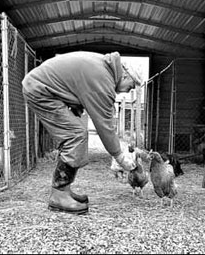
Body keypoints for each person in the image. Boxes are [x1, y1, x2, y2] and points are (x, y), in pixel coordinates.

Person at [22, 51, 142, 215]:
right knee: (75, 135)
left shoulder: (104, 69)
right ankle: (58, 195)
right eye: (132, 85)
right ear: (126, 76)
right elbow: (105, 125)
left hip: (42, 86)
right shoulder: (104, 80)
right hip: (40, 89)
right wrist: (120, 157)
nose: (129, 91)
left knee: (76, 133)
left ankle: (64, 190)